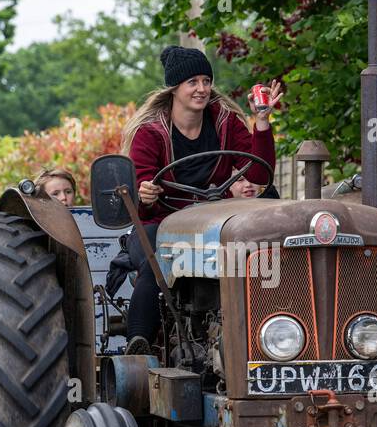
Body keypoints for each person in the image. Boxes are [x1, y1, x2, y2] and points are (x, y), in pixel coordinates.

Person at [120, 45, 283, 354]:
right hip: (162, 223)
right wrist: (147, 193)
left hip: (216, 224)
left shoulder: (225, 122)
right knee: (156, 264)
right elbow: (141, 199)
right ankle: (138, 345)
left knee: (261, 258)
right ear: (175, 88)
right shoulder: (151, 132)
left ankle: (270, 338)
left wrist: (261, 121)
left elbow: (260, 176)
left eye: (206, 81)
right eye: (192, 82)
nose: (202, 89)